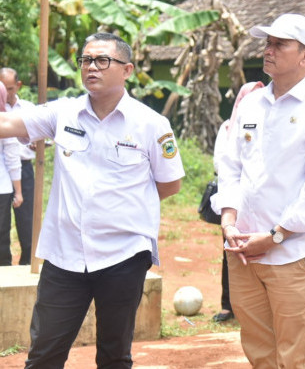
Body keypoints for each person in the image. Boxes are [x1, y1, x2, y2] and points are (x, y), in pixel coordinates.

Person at [0, 32, 185, 368]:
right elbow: (8, 123)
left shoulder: (151, 124)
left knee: (115, 355)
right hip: (65, 255)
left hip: (123, 255)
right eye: (86, 60)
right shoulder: (64, 113)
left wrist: (121, 206)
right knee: (43, 354)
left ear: (127, 70)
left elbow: (170, 184)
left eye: (103, 60)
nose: (92, 67)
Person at [217, 13, 305, 367]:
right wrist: (229, 224)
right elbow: (231, 166)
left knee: (293, 353)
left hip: (290, 253)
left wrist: (274, 236)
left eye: (279, 44)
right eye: (267, 43)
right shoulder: (251, 104)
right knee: (258, 349)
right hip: (241, 250)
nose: (268, 50)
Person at [210, 80, 264, 323]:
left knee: (261, 253)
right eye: (245, 98)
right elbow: (221, 163)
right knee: (231, 254)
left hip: (260, 200)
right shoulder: (228, 128)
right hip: (234, 202)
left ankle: (257, 306)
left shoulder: (268, 126)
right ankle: (227, 305)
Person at [0, 67, 35, 265]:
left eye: (9, 88)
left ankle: (26, 264)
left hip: (24, 168)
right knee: (2, 227)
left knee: (26, 222)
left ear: (18, 86)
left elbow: (41, 137)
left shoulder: (29, 108)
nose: (6, 92)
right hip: (5, 172)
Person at [0, 80, 23, 266]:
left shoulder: (5, 123)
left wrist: (18, 190)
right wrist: (18, 190)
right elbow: (12, 156)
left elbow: (12, 156)